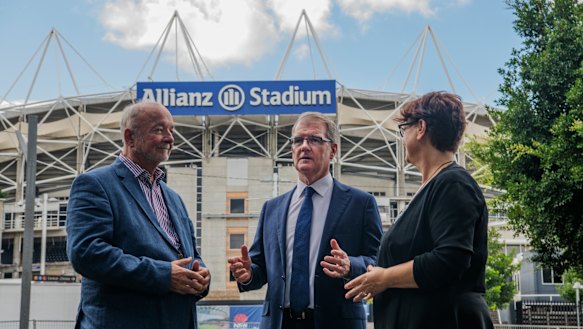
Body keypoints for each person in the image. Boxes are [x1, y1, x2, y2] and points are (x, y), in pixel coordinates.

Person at [344, 92, 493, 329]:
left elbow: (449, 260)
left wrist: (384, 278)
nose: (402, 138)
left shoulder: (452, 184)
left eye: (404, 129)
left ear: (421, 127)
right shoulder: (434, 186)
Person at [228, 112, 383, 329]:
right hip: (279, 323)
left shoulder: (361, 203)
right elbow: (260, 268)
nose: (304, 146)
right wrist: (247, 274)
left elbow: (379, 262)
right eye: (298, 140)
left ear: (334, 150)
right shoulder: (272, 208)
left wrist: (350, 266)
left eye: (315, 139)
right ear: (292, 149)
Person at [66, 101, 211, 329]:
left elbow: (190, 253)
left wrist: (200, 276)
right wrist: (164, 275)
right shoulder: (95, 184)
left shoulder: (173, 198)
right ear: (129, 137)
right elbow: (87, 252)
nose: (170, 138)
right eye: (158, 130)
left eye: (171, 130)